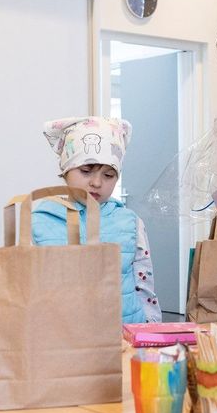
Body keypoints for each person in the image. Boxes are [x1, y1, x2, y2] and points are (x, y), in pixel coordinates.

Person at [38, 116, 161, 324]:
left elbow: (144, 286)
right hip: (62, 337)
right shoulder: (42, 219)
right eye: (86, 171)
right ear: (66, 169)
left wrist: (151, 333)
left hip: (124, 335)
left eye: (108, 175)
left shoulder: (131, 223)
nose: (96, 182)